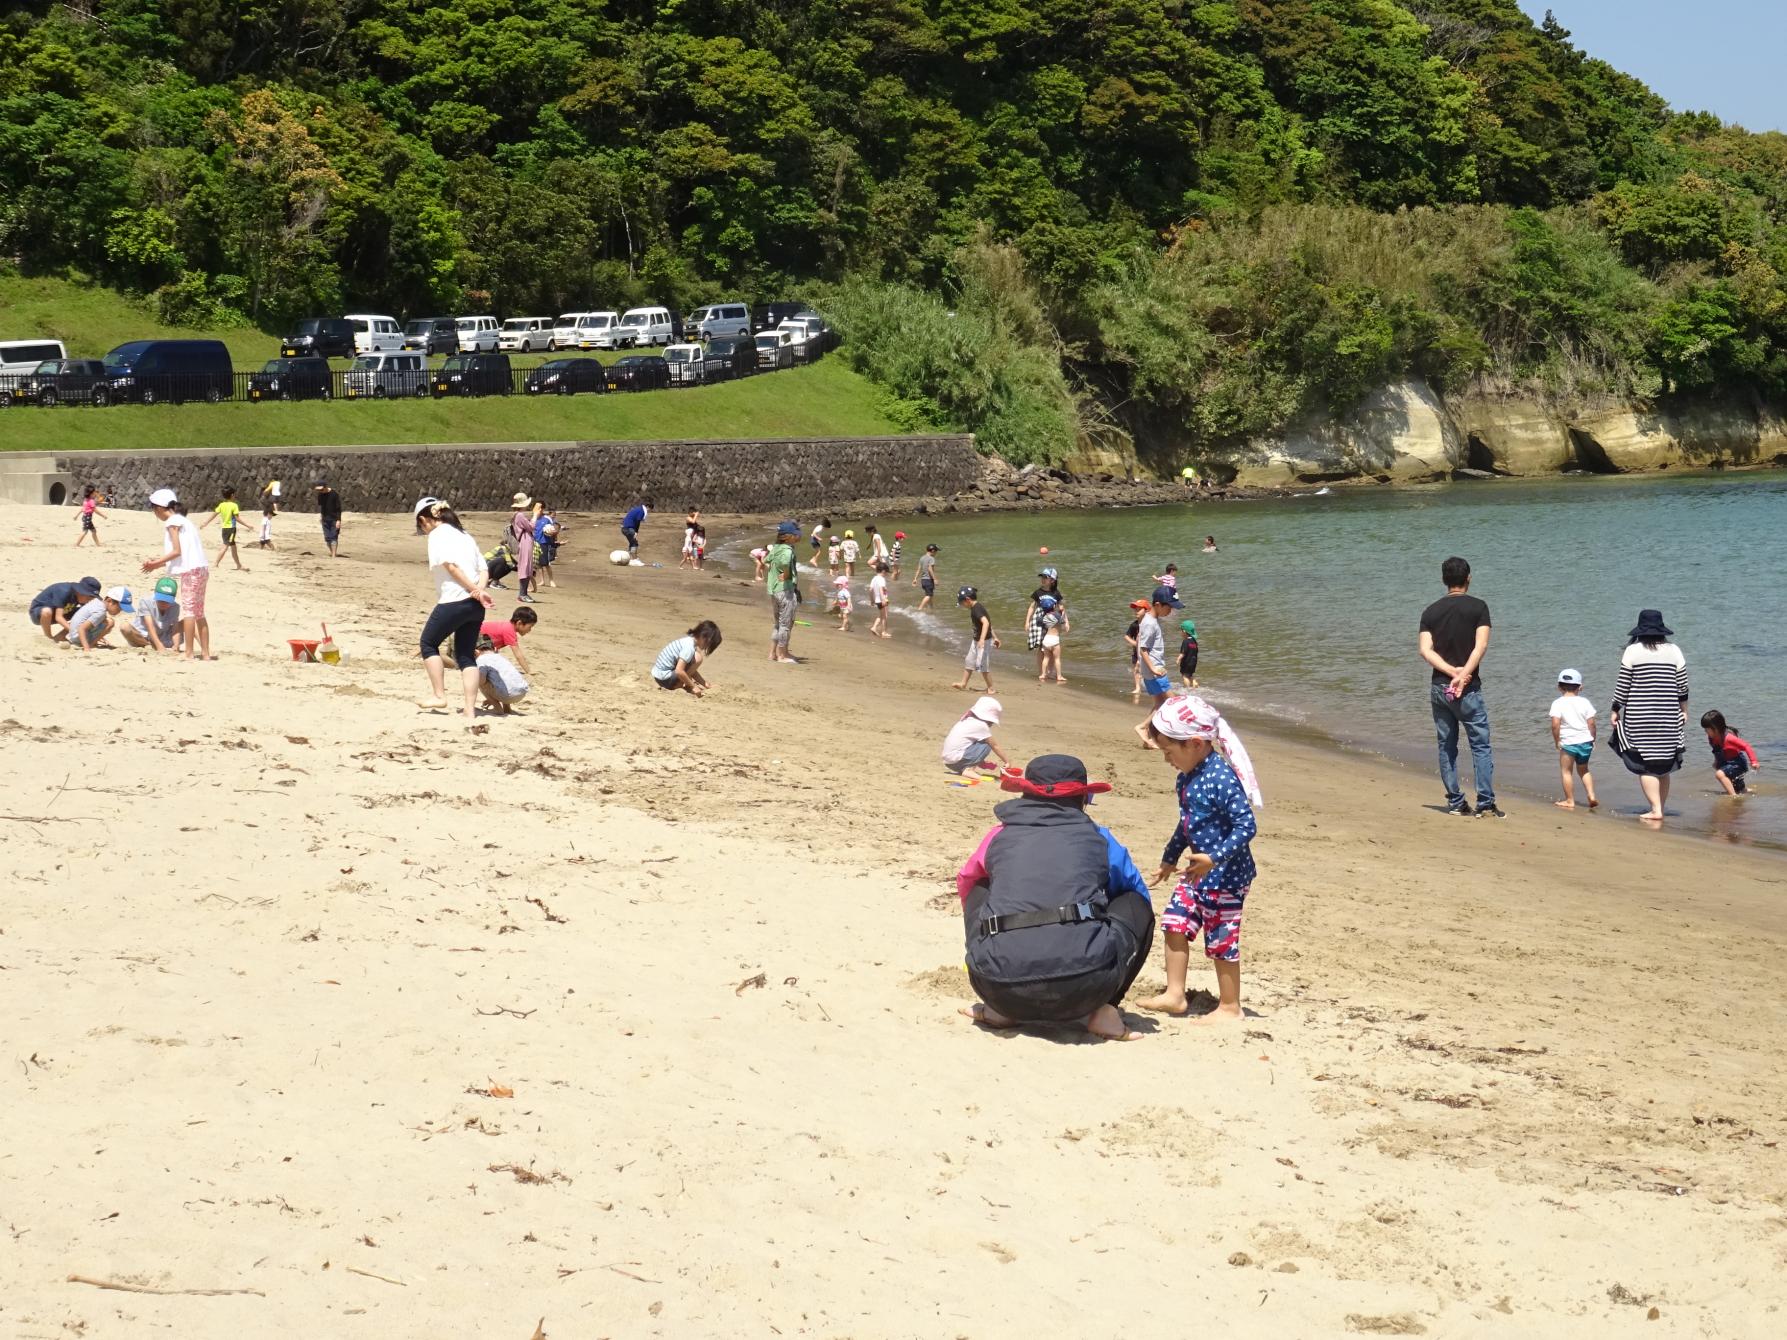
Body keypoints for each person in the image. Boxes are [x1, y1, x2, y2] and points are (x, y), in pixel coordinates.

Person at [955, 756, 1155, 1042]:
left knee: (978, 886)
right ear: (1082, 799)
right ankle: (1107, 1011)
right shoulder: (1099, 838)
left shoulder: (999, 834)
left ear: (1027, 794)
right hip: (1085, 986)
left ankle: (998, 1009)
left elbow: (965, 882)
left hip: (996, 984)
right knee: (1134, 902)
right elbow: (1138, 895)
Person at [1137, 695, 1263, 1024]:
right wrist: (1169, 858)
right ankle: (1175, 995)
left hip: (1227, 876)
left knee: (1221, 939)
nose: (1167, 759)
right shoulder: (1188, 777)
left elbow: (1246, 825)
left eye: (1168, 752)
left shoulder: (1220, 778)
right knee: (1174, 924)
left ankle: (1230, 1007)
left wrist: (1214, 857)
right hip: (1196, 872)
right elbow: (1187, 823)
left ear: (1194, 743)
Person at [1418, 556, 1498, 818]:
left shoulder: (1430, 612)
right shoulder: (1478, 607)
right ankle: (1484, 804)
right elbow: (1481, 646)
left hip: (1440, 687)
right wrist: (1463, 674)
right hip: (1468, 688)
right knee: (1480, 746)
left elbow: (1425, 651)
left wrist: (1450, 671)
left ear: (1444, 580)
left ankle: (1455, 802)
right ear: (1469, 578)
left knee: (1447, 745)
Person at [413, 497, 493, 723]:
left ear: (424, 520)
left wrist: (473, 590)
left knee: (428, 643)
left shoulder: (438, 535)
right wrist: (479, 591)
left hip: (453, 601)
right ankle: (470, 710)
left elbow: (451, 567)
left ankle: (439, 695)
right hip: (475, 605)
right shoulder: (465, 534)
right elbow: (484, 568)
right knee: (466, 655)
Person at [1609, 609, 1689, 825]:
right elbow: (1682, 686)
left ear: (1640, 630)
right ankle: (1658, 807)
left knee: (1644, 764)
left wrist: (1615, 709)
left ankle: (1655, 809)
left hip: (1639, 716)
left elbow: (1623, 685)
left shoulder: (1632, 651)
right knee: (1663, 764)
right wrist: (1684, 710)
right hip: (1668, 716)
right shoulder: (1674, 651)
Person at [139, 488, 212, 660]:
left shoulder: (172, 522)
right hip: (202, 569)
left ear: (158, 508)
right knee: (199, 612)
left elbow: (176, 551)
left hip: (191, 572)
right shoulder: (185, 521)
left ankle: (188, 653)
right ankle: (206, 653)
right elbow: (180, 553)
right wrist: (156, 564)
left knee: (189, 612)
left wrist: (155, 563)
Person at [1132, 585, 1179, 743]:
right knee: (1172, 701)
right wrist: (1153, 669)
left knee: (1160, 703)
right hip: (1155, 670)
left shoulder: (1150, 620)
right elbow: (1143, 648)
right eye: (1169, 607)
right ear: (1158, 605)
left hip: (1150, 670)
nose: (1170, 611)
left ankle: (1149, 734)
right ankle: (1144, 727)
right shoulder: (1150, 623)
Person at [1549, 669, 1599, 811]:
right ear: (1580, 687)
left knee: (1566, 772)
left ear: (1559, 687)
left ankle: (1570, 800)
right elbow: (1591, 723)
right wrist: (1593, 738)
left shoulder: (1557, 703)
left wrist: (1557, 740)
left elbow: (1555, 724)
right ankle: (1591, 795)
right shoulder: (1585, 702)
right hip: (1585, 742)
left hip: (1568, 743)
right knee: (1584, 770)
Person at [941, 696, 1009, 774]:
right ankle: (968, 770)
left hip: (949, 762)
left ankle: (966, 768)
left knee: (980, 741)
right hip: (956, 761)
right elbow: (995, 746)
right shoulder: (981, 725)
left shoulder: (967, 720)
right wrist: (1007, 762)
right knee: (987, 743)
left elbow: (966, 745)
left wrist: (982, 763)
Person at [652, 620, 723, 695]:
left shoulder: (688, 640)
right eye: (708, 644)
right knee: (698, 658)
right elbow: (679, 671)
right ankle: (680, 684)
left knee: (695, 659)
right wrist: (692, 686)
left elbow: (691, 670)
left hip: (659, 676)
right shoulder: (689, 647)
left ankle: (683, 683)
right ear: (702, 636)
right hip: (665, 679)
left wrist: (706, 684)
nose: (706, 647)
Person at [1702, 710, 1760, 798]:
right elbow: (1716, 749)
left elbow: (1746, 746)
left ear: (1716, 728)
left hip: (1737, 763)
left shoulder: (1729, 738)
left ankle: (1733, 797)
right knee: (1740, 790)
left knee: (1720, 774)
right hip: (1725, 762)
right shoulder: (1711, 738)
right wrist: (1716, 761)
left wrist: (1754, 761)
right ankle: (1754, 794)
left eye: (1707, 729)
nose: (1705, 731)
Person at [765, 520, 799, 663]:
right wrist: (785, 573)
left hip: (774, 590)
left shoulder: (776, 548)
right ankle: (782, 655)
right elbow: (785, 562)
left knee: (778, 623)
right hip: (785, 590)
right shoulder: (787, 550)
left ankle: (773, 653)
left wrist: (775, 572)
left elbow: (766, 559)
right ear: (786, 537)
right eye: (794, 534)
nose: (798, 536)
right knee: (786, 624)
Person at [953, 586, 998, 691]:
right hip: (976, 640)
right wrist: (996, 638)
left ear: (968, 600)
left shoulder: (976, 609)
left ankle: (991, 688)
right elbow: (989, 624)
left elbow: (986, 623)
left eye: (962, 603)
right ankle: (963, 684)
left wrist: (982, 639)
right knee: (969, 661)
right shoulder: (975, 608)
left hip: (983, 641)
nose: (962, 605)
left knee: (982, 665)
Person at [1025, 568, 1066, 682]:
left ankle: (1051, 672)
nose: (1042, 579)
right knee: (1041, 648)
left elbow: (1062, 608)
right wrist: (1027, 621)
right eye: (1042, 577)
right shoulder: (1038, 592)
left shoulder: (1056, 593)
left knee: (1052, 648)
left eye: (1045, 577)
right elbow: (1032, 607)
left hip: (1052, 622)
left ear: (1052, 580)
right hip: (1039, 622)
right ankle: (1041, 672)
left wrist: (1066, 622)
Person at [28, 576, 99, 641]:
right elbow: (58, 617)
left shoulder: (81, 596)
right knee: (47, 611)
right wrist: (79, 633)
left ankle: (59, 637)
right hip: (39, 615)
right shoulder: (64, 591)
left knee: (86, 615)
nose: (89, 600)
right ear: (81, 591)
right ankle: (48, 638)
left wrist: (97, 637)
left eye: (92, 598)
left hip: (62, 612)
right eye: (88, 597)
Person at [474, 635, 529, 715]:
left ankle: (497, 708)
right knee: (504, 679)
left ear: (476, 652)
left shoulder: (481, 659)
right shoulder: (501, 657)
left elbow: (481, 681)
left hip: (507, 695)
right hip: (522, 692)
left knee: (479, 681)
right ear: (495, 649)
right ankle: (507, 708)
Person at [121, 578, 181, 652]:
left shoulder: (175, 606)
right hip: (141, 636)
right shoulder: (145, 602)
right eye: (161, 599)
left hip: (161, 635)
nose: (163, 603)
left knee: (188, 622)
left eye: (167, 601)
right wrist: (159, 646)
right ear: (155, 592)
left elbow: (176, 629)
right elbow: (150, 627)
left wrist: (176, 645)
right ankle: (149, 645)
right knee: (125, 627)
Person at [198, 488, 248, 571]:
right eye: (234, 494)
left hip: (224, 529)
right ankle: (215, 563)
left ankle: (239, 565)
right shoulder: (234, 505)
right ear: (232, 495)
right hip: (231, 529)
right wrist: (247, 525)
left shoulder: (221, 505)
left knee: (233, 547)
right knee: (225, 546)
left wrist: (205, 523)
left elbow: (214, 514)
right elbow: (237, 518)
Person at [66, 586, 128, 651]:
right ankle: (91, 645)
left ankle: (90, 643)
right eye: (119, 608)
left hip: (72, 636)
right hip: (78, 638)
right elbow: (81, 628)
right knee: (110, 622)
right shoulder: (101, 612)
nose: (119, 611)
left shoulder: (97, 602)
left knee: (105, 620)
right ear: (109, 601)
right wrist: (87, 648)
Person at [481, 606, 538, 675]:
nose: (530, 630)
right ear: (519, 623)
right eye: (530, 627)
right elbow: (518, 654)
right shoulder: (509, 630)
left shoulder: (508, 627)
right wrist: (528, 671)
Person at [509, 493, 538, 604]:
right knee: (525, 567)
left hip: (525, 541)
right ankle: (522, 594)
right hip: (525, 542)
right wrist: (535, 516)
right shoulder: (520, 515)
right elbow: (531, 527)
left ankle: (523, 593)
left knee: (526, 567)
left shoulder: (517, 515)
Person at [532, 503, 560, 588]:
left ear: (542, 509)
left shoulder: (547, 519)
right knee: (538, 563)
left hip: (544, 542)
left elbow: (553, 530)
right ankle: (542, 581)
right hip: (535, 542)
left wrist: (552, 534)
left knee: (547, 563)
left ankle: (551, 581)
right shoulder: (534, 519)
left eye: (539, 508)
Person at [1036, 594, 1063, 682]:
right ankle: (1059, 676)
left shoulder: (1043, 617)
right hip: (1055, 639)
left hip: (1046, 639)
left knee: (1046, 658)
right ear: (1054, 606)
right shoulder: (1057, 616)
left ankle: (1043, 674)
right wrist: (1062, 611)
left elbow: (1038, 622)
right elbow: (1062, 621)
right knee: (1057, 659)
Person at [1124, 599, 1147, 698]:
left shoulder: (1149, 624)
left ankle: (1152, 686)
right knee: (1136, 669)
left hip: (1147, 652)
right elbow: (1126, 636)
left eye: (1139, 609)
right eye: (1135, 609)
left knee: (1145, 669)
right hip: (1136, 652)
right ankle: (1138, 687)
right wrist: (1134, 643)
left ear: (1146, 611)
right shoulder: (1134, 625)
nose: (1136, 611)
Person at [314, 480, 343, 558]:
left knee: (333, 536)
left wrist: (338, 520)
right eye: (318, 490)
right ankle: (332, 553)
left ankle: (333, 555)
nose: (320, 491)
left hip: (334, 519)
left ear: (326, 487)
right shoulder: (320, 495)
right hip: (325, 519)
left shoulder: (334, 494)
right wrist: (321, 516)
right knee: (327, 538)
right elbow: (321, 507)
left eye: (321, 489)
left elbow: (338, 508)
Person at [868, 561, 891, 639]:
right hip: (882, 600)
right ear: (883, 571)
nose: (887, 574)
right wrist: (883, 599)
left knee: (881, 615)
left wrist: (871, 600)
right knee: (884, 616)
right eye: (886, 572)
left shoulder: (874, 578)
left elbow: (870, 590)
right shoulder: (881, 579)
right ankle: (883, 632)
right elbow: (881, 589)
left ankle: (874, 627)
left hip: (877, 600)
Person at [914, 543, 940, 610]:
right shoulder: (931, 558)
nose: (936, 553)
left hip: (923, 580)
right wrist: (934, 579)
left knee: (930, 595)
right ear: (933, 551)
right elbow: (930, 569)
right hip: (929, 580)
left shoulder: (922, 558)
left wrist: (915, 579)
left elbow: (918, 569)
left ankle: (931, 609)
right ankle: (919, 609)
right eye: (936, 551)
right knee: (928, 595)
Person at [1178, 618, 1200, 689]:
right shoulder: (1194, 641)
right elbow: (1197, 650)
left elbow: (1183, 653)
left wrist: (1178, 659)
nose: (1180, 632)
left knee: (1185, 676)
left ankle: (1187, 688)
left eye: (1181, 630)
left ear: (1184, 631)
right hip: (1193, 662)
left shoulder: (1185, 641)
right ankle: (1194, 683)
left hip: (1186, 663)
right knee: (1190, 675)